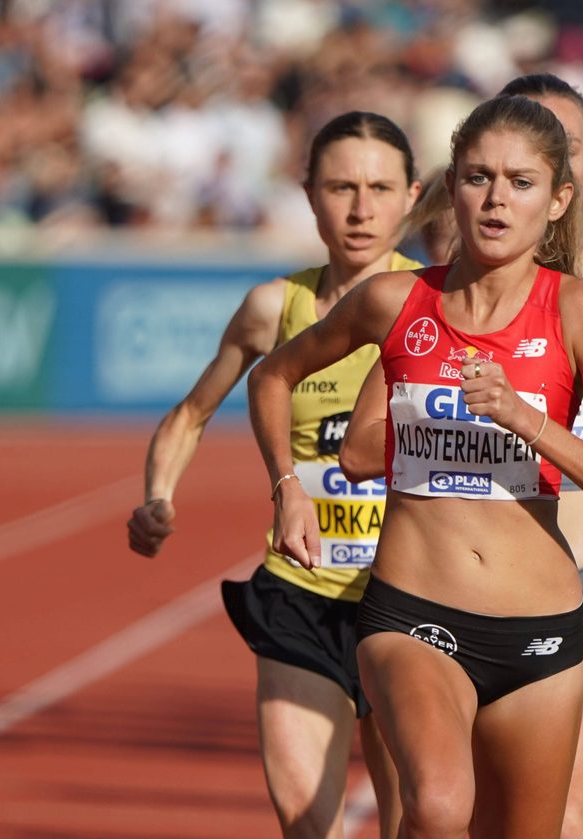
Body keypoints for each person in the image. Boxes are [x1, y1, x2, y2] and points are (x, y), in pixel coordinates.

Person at [247, 94, 583, 839]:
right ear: (452, 189)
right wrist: (288, 487)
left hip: (539, 627)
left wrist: (528, 421)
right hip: (414, 610)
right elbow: (274, 379)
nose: (497, 198)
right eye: (477, 177)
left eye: (520, 180)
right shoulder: (396, 300)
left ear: (559, 197)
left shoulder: (578, 313)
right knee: (439, 805)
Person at [338, 73, 583, 839]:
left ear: (577, 176)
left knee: (564, 815)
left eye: (557, 149)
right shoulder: (457, 291)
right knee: (434, 808)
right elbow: (367, 438)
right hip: (464, 585)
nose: (509, 184)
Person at [126, 110, 422, 839]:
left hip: (416, 596)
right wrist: (157, 500)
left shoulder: (443, 301)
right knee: (304, 825)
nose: (360, 208)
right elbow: (191, 415)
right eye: (340, 187)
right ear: (309, 193)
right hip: (303, 595)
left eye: (380, 188)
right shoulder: (273, 307)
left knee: (417, 822)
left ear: (412, 196)